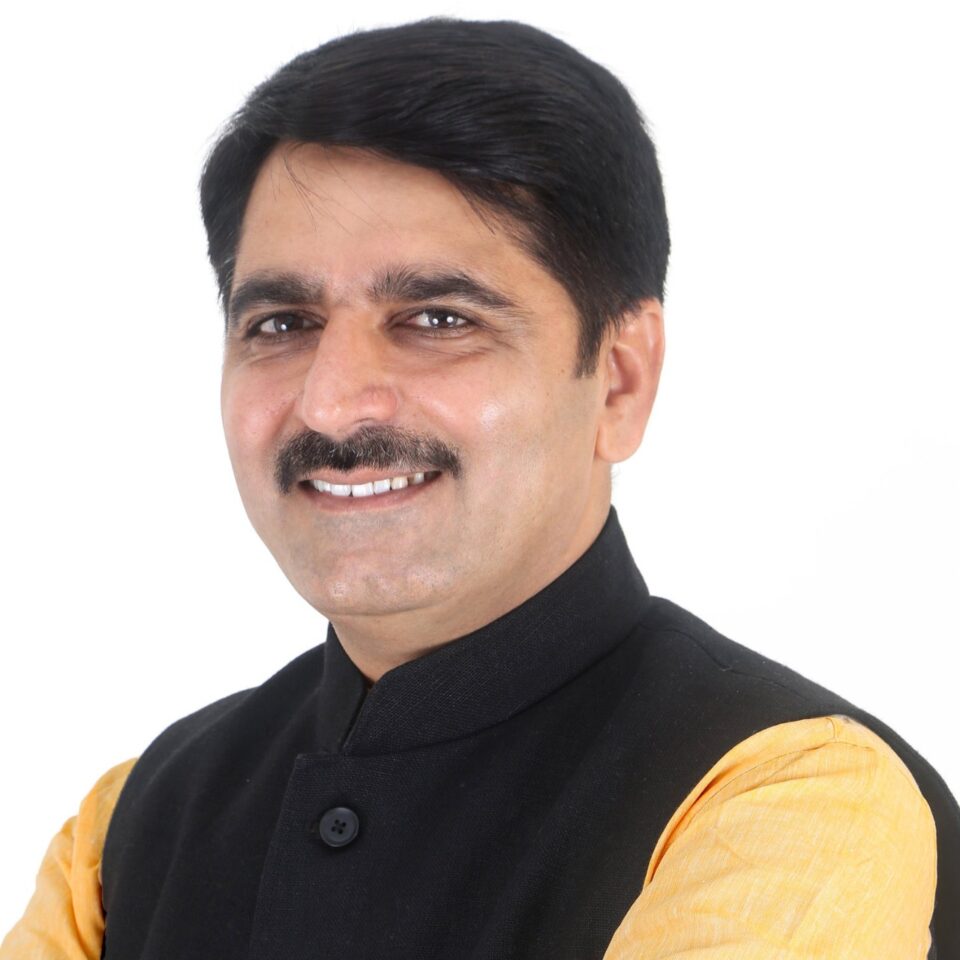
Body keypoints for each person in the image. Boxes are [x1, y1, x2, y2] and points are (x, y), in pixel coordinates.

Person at [3, 17, 958, 960]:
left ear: (619, 381)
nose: (328, 404)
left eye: (437, 318)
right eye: (282, 323)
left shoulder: (789, 797)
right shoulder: (132, 827)